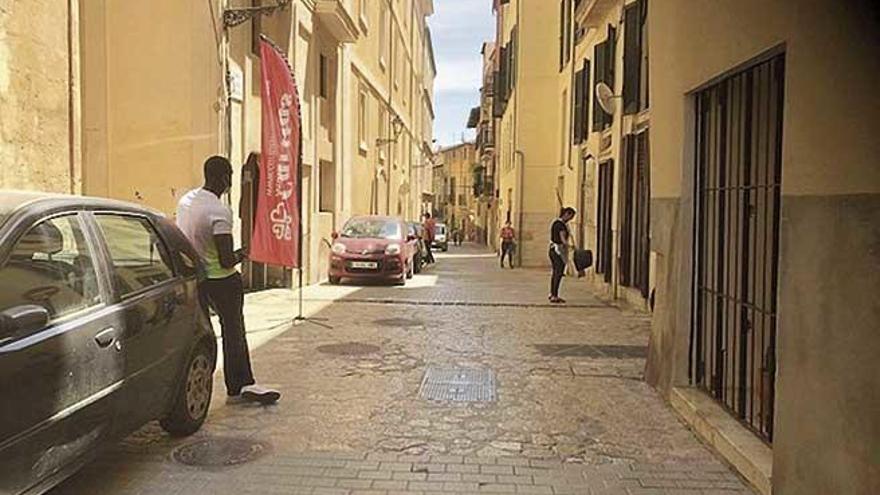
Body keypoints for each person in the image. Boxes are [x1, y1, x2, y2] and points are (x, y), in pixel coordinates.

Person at [177, 156, 281, 405]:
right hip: (223, 281)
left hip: (197, 279)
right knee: (234, 332)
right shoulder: (219, 211)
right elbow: (225, 260)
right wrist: (245, 252)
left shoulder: (186, 201)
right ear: (224, 178)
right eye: (231, 176)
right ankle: (240, 385)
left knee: (200, 333)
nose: (231, 182)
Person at [549, 207, 576, 304]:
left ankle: (552, 293)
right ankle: (554, 295)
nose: (571, 219)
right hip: (558, 251)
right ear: (566, 214)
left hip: (552, 250)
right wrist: (570, 246)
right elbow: (562, 238)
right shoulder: (561, 225)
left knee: (555, 273)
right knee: (558, 273)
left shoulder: (556, 223)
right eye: (571, 216)